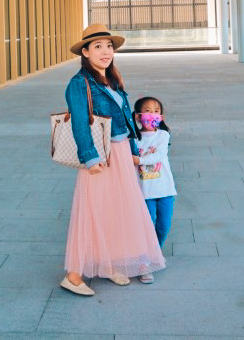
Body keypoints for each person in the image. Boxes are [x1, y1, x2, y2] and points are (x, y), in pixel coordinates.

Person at [59, 24, 166, 296]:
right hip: (100, 156)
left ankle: (110, 264)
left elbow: (126, 119)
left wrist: (132, 148)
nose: (105, 51)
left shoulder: (112, 79)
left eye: (108, 46)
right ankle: (73, 276)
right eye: (97, 47)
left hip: (119, 153)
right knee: (93, 210)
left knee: (116, 209)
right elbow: (80, 123)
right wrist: (90, 157)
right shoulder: (79, 83)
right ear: (85, 52)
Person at [132, 96, 176, 283]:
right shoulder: (134, 139)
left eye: (156, 111)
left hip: (165, 191)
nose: (152, 114)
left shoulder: (163, 136)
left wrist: (139, 160)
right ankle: (144, 263)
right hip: (145, 193)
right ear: (138, 116)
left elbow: (159, 155)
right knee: (146, 228)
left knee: (163, 226)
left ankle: (154, 252)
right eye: (148, 111)